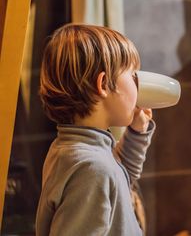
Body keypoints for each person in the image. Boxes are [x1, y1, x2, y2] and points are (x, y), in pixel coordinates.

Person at [35, 23, 155, 235]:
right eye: (133, 75)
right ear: (103, 83)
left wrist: (137, 132)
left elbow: (119, 176)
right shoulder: (91, 168)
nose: (139, 85)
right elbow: (105, 175)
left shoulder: (76, 149)